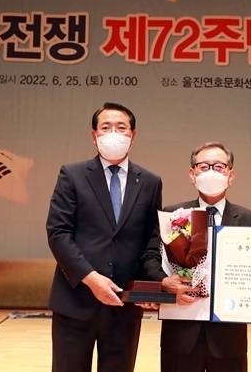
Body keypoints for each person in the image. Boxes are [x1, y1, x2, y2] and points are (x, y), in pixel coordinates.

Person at [46, 102, 163, 372]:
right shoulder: (72, 175)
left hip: (124, 305)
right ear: (94, 135)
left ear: (133, 135)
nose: (113, 134)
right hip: (75, 300)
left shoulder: (150, 182)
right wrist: (91, 279)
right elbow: (58, 233)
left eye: (121, 128)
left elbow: (152, 241)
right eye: (105, 127)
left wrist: (149, 285)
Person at [148, 142, 251, 372]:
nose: (211, 172)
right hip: (180, 336)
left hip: (228, 341)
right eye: (204, 166)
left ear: (230, 176)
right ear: (192, 174)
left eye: (219, 166)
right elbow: (150, 257)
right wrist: (164, 282)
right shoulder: (172, 215)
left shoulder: (250, 219)